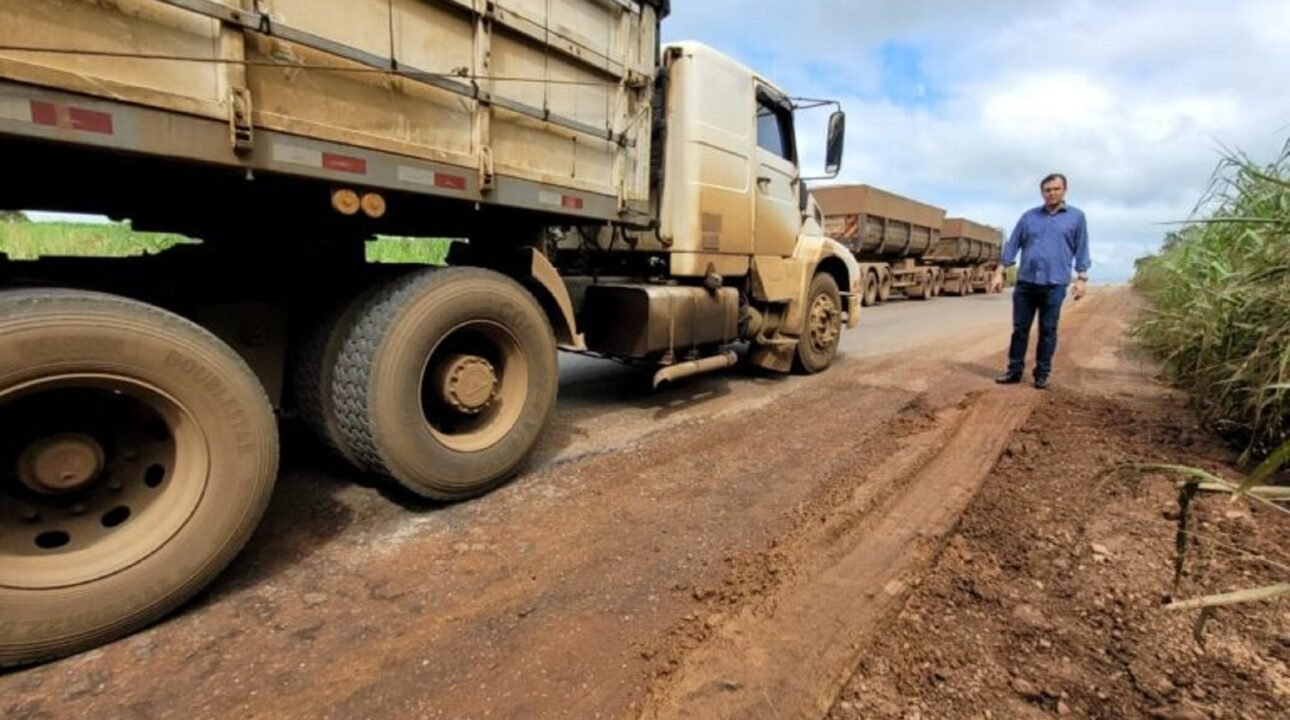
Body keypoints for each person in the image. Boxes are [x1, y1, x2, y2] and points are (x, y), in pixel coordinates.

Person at [994, 173, 1091, 389]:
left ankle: (1042, 374)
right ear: (1042, 192)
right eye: (1047, 190)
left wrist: (1082, 278)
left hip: (1054, 284)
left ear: (1064, 190)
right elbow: (1013, 244)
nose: (1052, 193)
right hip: (1026, 284)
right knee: (1020, 330)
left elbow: (1082, 248)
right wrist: (999, 271)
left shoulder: (1076, 217)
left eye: (1056, 189)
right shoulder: (1029, 217)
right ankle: (1014, 371)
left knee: (1048, 330)